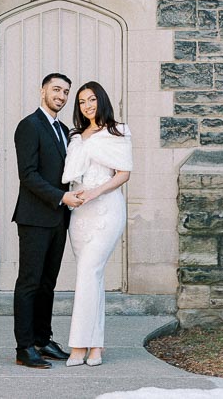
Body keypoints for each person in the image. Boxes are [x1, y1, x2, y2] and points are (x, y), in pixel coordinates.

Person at [11, 72, 81, 368]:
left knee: (47, 284)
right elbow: (28, 175)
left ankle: (43, 339)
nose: (61, 96)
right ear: (43, 91)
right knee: (29, 282)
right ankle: (24, 347)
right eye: (56, 90)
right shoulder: (29, 126)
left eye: (66, 92)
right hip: (34, 217)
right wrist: (60, 197)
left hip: (58, 219)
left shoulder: (64, 129)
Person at [61, 80, 132, 367]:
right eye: (81, 102)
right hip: (80, 214)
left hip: (106, 209)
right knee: (93, 277)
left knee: (88, 273)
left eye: (91, 100)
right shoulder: (76, 136)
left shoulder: (119, 130)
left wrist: (95, 192)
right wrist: (75, 195)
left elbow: (123, 173)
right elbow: (69, 173)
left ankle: (79, 345)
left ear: (101, 100)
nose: (87, 106)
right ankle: (97, 347)